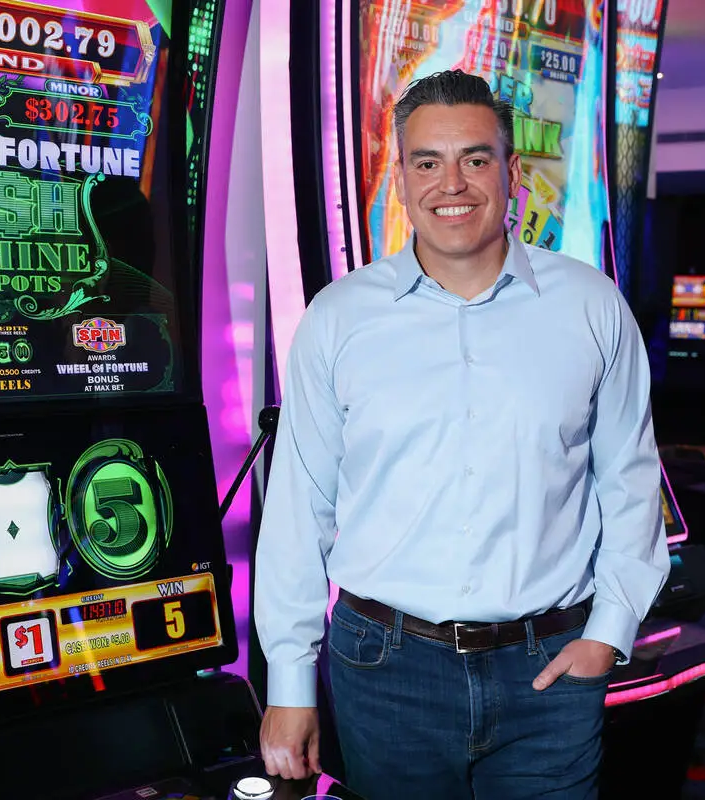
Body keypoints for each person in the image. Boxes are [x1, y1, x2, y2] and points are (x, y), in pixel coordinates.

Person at [253, 69, 671, 800]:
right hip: (385, 668)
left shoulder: (591, 305)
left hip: (549, 670)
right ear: (401, 179)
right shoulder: (338, 318)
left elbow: (630, 481)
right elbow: (299, 507)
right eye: (427, 162)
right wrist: (290, 681)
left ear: (512, 171)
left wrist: (610, 631)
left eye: (475, 159)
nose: (452, 184)